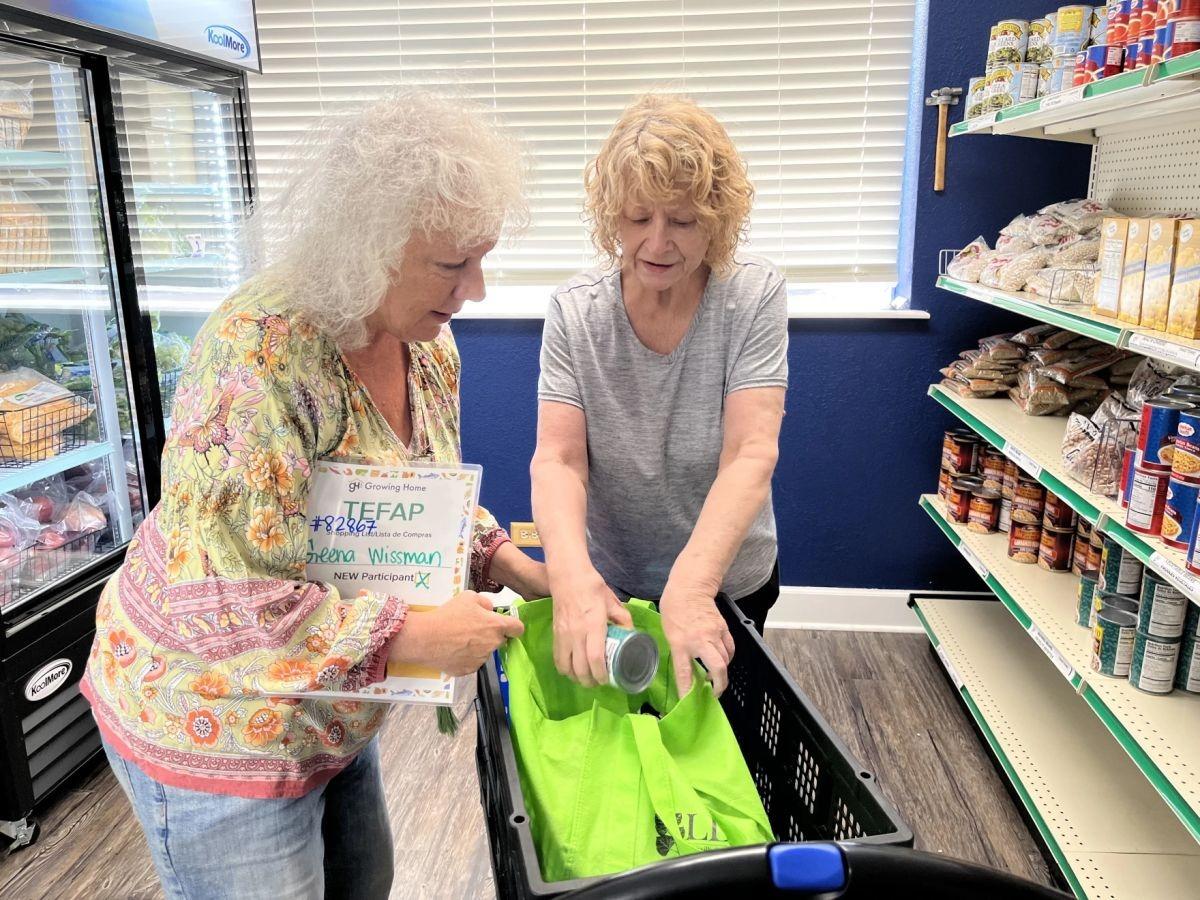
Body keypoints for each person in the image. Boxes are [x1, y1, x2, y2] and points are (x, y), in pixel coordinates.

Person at [82, 90, 548, 900]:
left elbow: (413, 499)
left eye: (481, 258)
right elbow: (234, 604)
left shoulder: (424, 345)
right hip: (217, 716)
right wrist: (420, 635)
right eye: (452, 264)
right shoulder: (256, 357)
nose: (476, 289)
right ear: (365, 246)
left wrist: (505, 558)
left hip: (328, 695)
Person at [531, 94, 788, 698]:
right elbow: (559, 460)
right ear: (610, 216)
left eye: (683, 220)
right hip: (615, 579)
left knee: (721, 749)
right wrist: (571, 579)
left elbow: (751, 450)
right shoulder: (576, 311)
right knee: (629, 754)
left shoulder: (751, 296)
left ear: (717, 217)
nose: (657, 242)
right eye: (638, 218)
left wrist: (694, 586)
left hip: (725, 580)